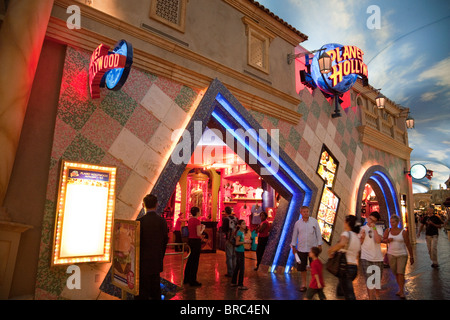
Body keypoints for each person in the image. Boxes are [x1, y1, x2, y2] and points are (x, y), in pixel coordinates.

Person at [136, 194, 168, 300]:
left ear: (143, 205)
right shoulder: (162, 221)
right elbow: (164, 242)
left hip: (142, 262)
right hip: (156, 261)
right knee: (155, 290)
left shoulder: (139, 222)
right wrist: (160, 256)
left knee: (143, 290)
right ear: (157, 205)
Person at [290, 206, 323, 292]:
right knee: (302, 268)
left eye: (307, 211)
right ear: (301, 212)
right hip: (301, 248)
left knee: (314, 268)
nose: (306, 213)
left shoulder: (314, 222)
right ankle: (304, 284)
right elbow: (295, 235)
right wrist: (293, 246)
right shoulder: (297, 223)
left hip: (313, 248)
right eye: (304, 212)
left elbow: (318, 234)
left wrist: (320, 244)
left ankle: (314, 285)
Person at [328, 215, 361, 300]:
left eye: (344, 221)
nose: (344, 223)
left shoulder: (346, 234)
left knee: (349, 294)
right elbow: (357, 253)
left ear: (348, 223)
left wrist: (331, 250)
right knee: (344, 288)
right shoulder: (357, 237)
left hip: (345, 267)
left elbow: (342, 243)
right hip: (354, 267)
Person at [383, 214, 414, 299]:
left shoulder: (403, 232)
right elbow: (383, 240)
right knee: (395, 272)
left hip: (402, 254)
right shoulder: (388, 231)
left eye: (393, 222)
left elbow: (408, 244)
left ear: (397, 222)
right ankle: (400, 289)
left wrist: (411, 256)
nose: (392, 224)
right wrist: (388, 240)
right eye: (390, 222)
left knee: (400, 273)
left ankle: (401, 290)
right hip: (391, 254)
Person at [359, 211, 383, 300]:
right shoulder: (362, 228)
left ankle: (375, 296)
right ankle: (371, 298)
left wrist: (374, 229)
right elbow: (360, 243)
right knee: (370, 282)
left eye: (373, 221)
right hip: (366, 258)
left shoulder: (379, 229)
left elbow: (378, 241)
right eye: (370, 219)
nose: (370, 221)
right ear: (368, 217)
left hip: (377, 258)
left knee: (376, 283)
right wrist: (362, 237)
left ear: (376, 222)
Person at [183, 206, 205, 286]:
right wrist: (203, 228)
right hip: (196, 242)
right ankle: (193, 280)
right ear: (197, 212)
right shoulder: (197, 221)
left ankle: (186, 278)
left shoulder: (190, 220)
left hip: (190, 241)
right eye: (199, 211)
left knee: (190, 260)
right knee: (195, 261)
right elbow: (199, 234)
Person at [231, 219, 252, 290]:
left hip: (240, 250)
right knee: (242, 268)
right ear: (239, 225)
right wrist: (245, 242)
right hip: (239, 251)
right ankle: (240, 284)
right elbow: (237, 243)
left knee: (237, 267)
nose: (245, 225)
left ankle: (233, 282)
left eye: (245, 223)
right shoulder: (239, 233)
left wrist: (245, 241)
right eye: (243, 224)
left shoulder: (241, 232)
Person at [222, 206, 237, 277]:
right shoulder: (236, 218)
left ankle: (230, 272)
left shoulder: (225, 219)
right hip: (236, 239)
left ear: (225, 212)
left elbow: (224, 229)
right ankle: (235, 271)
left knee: (229, 256)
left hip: (229, 239)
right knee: (234, 256)